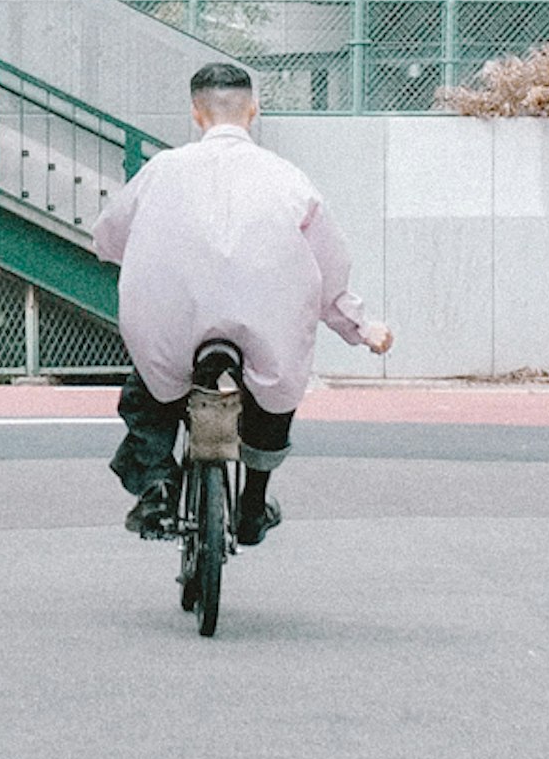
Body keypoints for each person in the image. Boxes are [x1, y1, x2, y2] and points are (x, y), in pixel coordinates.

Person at [94, 59, 393, 545]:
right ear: (253, 110)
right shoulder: (288, 178)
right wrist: (360, 327)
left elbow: (107, 236)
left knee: (150, 393)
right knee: (274, 399)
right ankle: (253, 503)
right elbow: (329, 268)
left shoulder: (161, 171)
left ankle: (156, 487)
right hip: (265, 327)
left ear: (196, 114)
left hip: (175, 325)